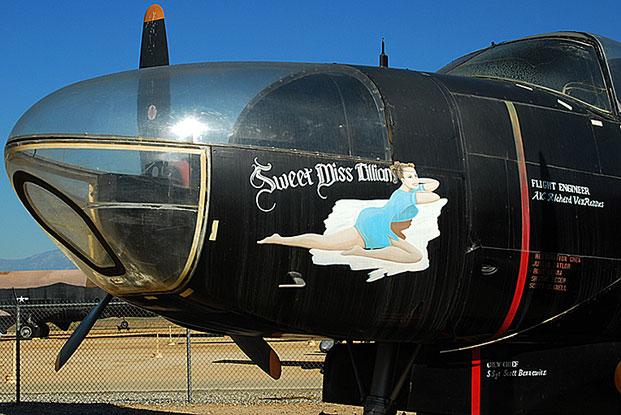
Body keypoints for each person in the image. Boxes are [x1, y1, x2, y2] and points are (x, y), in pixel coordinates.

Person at [257, 162, 440, 264]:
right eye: (410, 176)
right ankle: (280, 239)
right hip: (376, 225)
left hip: (378, 222)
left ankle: (280, 239)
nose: (414, 179)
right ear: (401, 179)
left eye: (415, 175)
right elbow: (434, 194)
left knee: (415, 256)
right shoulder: (407, 196)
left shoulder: (407, 192)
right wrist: (412, 183)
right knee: (326, 243)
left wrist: (412, 181)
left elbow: (434, 185)